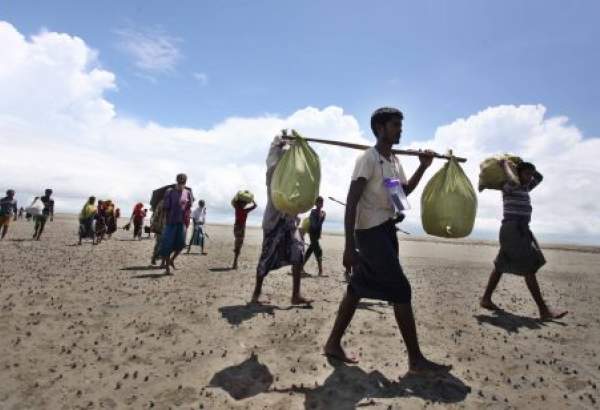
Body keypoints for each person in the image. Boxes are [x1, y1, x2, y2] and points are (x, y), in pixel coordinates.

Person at [324, 107, 451, 374]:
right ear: (380, 128)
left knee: (358, 287)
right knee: (402, 290)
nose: (400, 129)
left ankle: (333, 343)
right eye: (395, 125)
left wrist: (423, 167)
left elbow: (399, 197)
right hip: (369, 233)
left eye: (400, 125)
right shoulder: (368, 159)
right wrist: (349, 246)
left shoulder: (392, 161)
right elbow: (351, 204)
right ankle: (416, 360)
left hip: (386, 230)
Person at [480, 160, 568, 320]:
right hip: (513, 229)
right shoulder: (509, 185)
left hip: (520, 230)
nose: (529, 177)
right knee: (528, 268)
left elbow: (539, 177)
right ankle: (544, 310)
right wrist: (506, 165)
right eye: (526, 174)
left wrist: (525, 167)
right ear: (518, 174)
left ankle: (486, 299)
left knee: (501, 265)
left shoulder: (526, 186)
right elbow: (513, 180)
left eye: (530, 174)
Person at [251, 134, 312, 305]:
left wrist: (300, 146)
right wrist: (279, 143)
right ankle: (256, 294)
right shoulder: (273, 175)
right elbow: (272, 157)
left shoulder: (293, 178)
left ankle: (296, 295)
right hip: (274, 221)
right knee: (266, 257)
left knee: (298, 253)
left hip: (290, 222)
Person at [159, 173, 193, 275]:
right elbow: (165, 207)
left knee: (181, 244)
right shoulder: (170, 192)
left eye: (183, 181)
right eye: (180, 181)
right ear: (177, 180)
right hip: (170, 222)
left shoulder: (188, 193)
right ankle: (167, 269)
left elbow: (189, 207)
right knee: (167, 245)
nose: (181, 183)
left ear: (185, 182)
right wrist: (163, 221)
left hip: (181, 222)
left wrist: (187, 219)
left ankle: (171, 260)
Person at [302, 196, 326, 276]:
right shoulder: (313, 212)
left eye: (322, 203)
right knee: (319, 251)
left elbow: (319, 226)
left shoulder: (322, 212)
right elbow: (314, 226)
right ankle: (320, 272)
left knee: (309, 251)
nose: (320, 204)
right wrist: (321, 218)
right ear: (316, 203)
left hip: (316, 236)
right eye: (319, 202)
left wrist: (322, 218)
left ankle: (300, 268)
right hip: (313, 235)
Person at [232, 198, 257, 269]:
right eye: (244, 203)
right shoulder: (245, 211)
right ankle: (235, 263)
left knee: (237, 243)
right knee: (239, 245)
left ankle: (235, 262)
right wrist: (252, 200)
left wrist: (236, 198)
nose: (245, 204)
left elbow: (233, 202)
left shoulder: (237, 209)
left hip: (236, 228)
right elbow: (255, 206)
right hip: (241, 228)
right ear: (242, 204)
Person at [150, 200, 165, 266]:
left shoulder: (173, 202)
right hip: (160, 226)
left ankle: (159, 259)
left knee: (162, 243)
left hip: (166, 226)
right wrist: (154, 225)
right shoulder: (161, 203)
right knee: (159, 242)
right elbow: (156, 215)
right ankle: (154, 257)